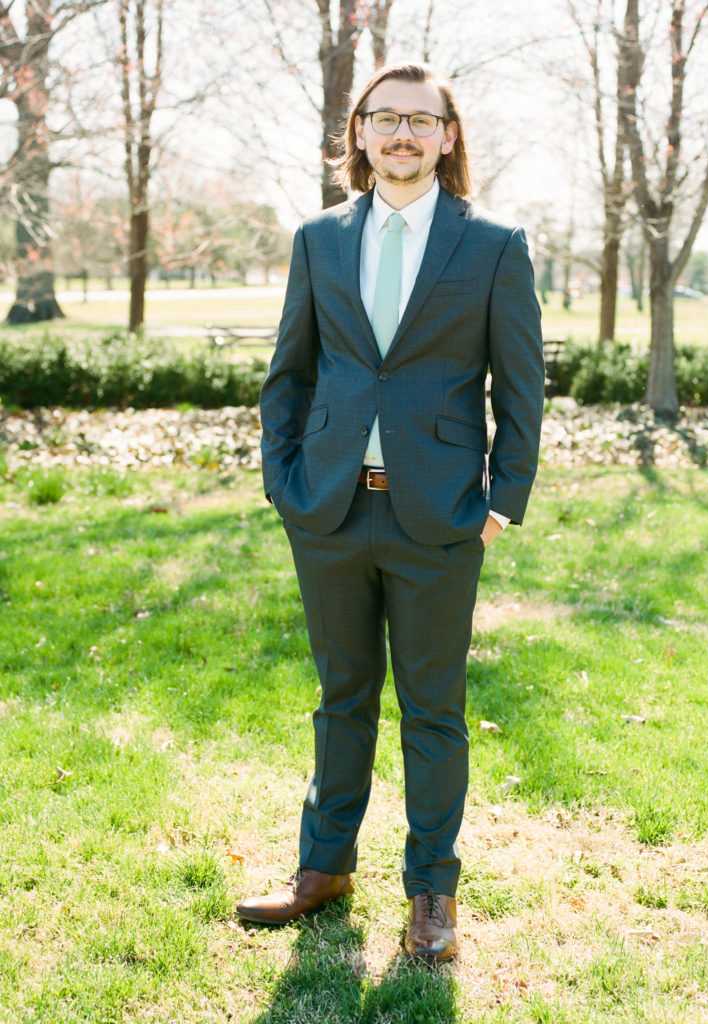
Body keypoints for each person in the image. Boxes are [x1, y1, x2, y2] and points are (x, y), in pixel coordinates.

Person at [237, 62, 545, 961]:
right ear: (359, 134)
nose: (402, 134)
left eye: (422, 119)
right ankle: (321, 868)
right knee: (341, 699)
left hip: (440, 516)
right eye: (385, 119)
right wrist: (284, 483)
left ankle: (430, 894)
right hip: (327, 510)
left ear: (448, 138)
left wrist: (503, 504)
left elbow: (520, 389)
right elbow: (287, 375)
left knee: (433, 711)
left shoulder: (492, 244)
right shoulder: (318, 240)